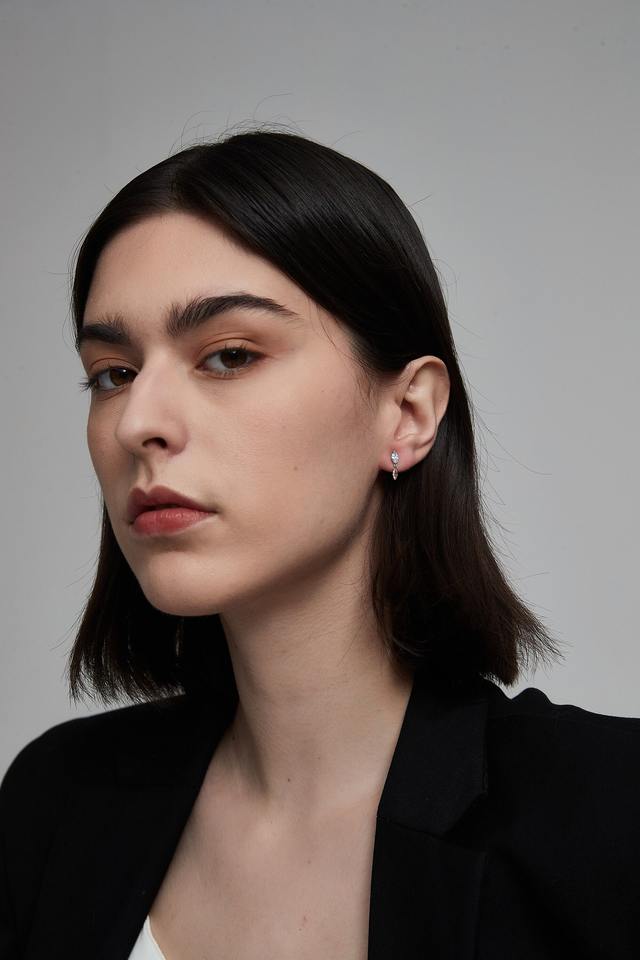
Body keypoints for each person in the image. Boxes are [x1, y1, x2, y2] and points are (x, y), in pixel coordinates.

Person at [1, 126, 638, 960]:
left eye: (229, 355)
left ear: (407, 413)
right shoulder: (53, 806)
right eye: (113, 373)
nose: (138, 423)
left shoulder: (611, 817)